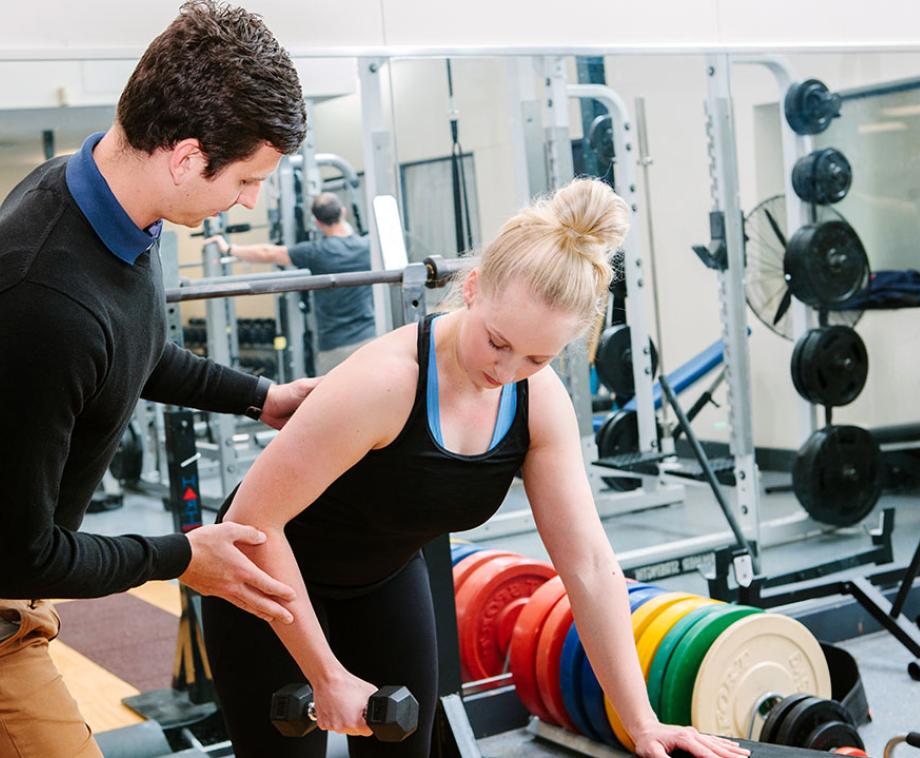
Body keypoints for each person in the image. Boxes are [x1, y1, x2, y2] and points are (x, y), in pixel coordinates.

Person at [0, 3, 315, 756]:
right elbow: (12, 555)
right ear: (187, 158)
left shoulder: (96, 196)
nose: (249, 200)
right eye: (249, 179)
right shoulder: (44, 300)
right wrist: (183, 556)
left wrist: (261, 398)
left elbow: (132, 348)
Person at [201, 178, 750, 758]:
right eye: (497, 341)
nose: (506, 369)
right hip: (265, 579)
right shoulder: (385, 383)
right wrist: (325, 672)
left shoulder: (539, 401)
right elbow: (255, 523)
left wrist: (642, 723)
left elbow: (588, 564)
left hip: (384, 579)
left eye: (537, 357)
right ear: (473, 287)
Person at [206, 192, 376, 373]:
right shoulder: (366, 247)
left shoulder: (316, 252)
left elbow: (268, 253)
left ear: (317, 223)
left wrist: (229, 248)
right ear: (343, 212)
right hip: (370, 339)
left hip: (335, 347)